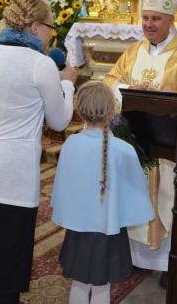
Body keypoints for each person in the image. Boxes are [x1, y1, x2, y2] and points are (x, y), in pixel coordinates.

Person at [0, 0, 78, 304]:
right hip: (10, 176)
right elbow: (60, 120)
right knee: (6, 265)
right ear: (36, 26)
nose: (52, 34)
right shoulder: (40, 65)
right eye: (51, 27)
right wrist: (66, 82)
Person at [103, 0, 177, 288]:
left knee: (167, 201)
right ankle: (136, 259)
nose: (148, 24)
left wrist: (161, 99)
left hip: (168, 147)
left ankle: (167, 262)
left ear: (170, 19)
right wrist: (127, 89)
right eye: (145, 18)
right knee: (135, 199)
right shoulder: (134, 51)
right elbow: (110, 80)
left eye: (155, 19)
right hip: (136, 144)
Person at [50, 81, 154, 304]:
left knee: (78, 283)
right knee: (102, 286)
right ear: (112, 110)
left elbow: (63, 186)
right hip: (109, 228)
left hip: (79, 230)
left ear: (80, 109)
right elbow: (136, 192)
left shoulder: (70, 143)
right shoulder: (123, 150)